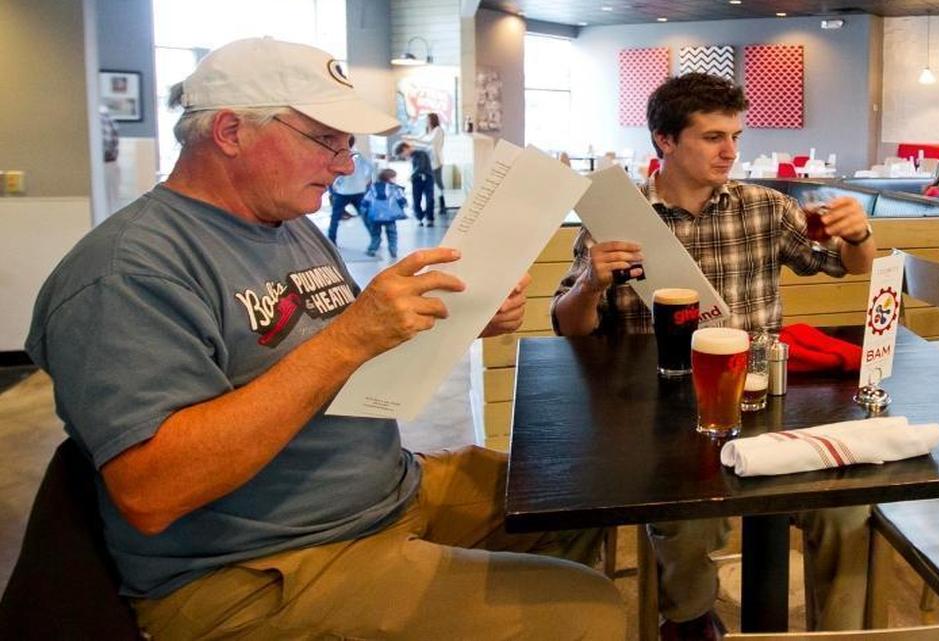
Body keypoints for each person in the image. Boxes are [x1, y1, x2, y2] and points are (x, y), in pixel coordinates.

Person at [25, 37, 624, 641]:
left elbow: (313, 360)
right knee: (589, 614)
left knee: (575, 495)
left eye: (349, 145)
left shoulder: (286, 225)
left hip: (381, 493)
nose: (344, 165)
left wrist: (451, 317)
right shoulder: (127, 273)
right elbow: (153, 491)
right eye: (326, 141)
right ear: (231, 131)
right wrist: (351, 339)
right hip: (257, 567)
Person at [552, 72, 876, 640]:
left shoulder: (765, 208)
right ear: (665, 141)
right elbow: (571, 330)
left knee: (846, 508)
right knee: (683, 521)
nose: (730, 151)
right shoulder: (619, 220)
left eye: (735, 135)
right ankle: (690, 618)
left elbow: (850, 266)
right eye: (712, 137)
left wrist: (858, 234)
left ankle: (840, 634)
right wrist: (589, 285)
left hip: (763, 398)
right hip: (660, 406)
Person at [326, 138, 374, 245]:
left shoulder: (339, 156)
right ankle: (375, 238)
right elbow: (371, 167)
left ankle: (331, 241)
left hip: (342, 192)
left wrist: (336, 185)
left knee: (335, 218)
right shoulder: (359, 156)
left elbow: (336, 174)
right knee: (364, 215)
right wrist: (364, 180)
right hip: (358, 191)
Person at [403, 112, 448, 212]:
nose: (426, 121)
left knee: (438, 183)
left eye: (428, 119)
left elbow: (429, 141)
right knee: (430, 184)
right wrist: (410, 138)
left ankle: (443, 204)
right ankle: (432, 206)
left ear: (433, 119)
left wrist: (412, 140)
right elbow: (420, 138)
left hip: (436, 161)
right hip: (428, 161)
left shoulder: (438, 130)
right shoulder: (427, 130)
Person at [363, 167, 406, 259]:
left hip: (375, 216)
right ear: (390, 178)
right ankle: (393, 251)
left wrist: (365, 210)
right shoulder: (394, 188)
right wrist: (402, 206)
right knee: (392, 234)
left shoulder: (373, 187)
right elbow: (401, 200)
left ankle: (372, 249)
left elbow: (366, 200)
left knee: (375, 234)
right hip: (390, 216)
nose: (395, 179)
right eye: (394, 177)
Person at [394, 140, 435, 227]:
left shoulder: (421, 153)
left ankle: (429, 219)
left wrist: (411, 176)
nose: (403, 156)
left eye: (402, 154)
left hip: (427, 179)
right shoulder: (411, 157)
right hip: (416, 180)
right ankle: (419, 218)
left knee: (429, 199)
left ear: (405, 149)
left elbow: (421, 167)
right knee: (416, 200)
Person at [99, 105, 121, 219]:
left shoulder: (101, 118)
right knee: (112, 200)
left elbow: (106, 146)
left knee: (106, 201)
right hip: (110, 163)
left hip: (104, 163)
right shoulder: (107, 117)